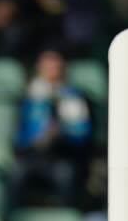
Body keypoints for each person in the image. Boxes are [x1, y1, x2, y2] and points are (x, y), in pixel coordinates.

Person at [12, 50, 93, 210]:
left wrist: (63, 134)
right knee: (17, 174)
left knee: (67, 176)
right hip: (32, 155)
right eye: (48, 67)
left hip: (63, 155)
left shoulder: (74, 97)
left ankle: (65, 218)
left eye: (56, 67)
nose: (52, 71)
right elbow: (18, 134)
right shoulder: (29, 97)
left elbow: (83, 133)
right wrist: (36, 139)